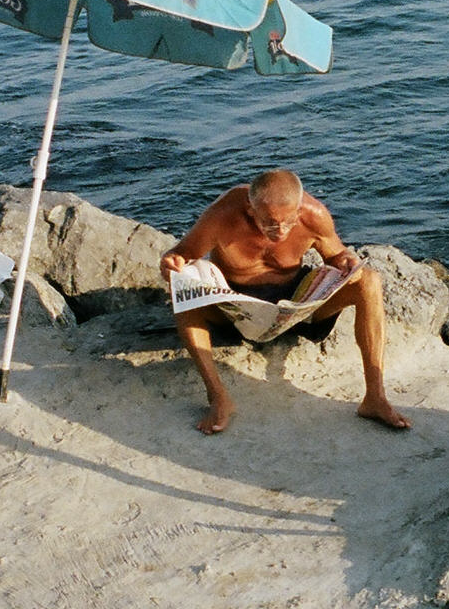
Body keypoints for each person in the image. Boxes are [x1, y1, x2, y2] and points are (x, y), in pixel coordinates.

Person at [159, 169, 410, 435]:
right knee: (182, 285)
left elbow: (336, 255)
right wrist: (172, 263)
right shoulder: (223, 215)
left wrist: (346, 260)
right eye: (269, 223)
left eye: (288, 222)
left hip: (295, 308)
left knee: (369, 280)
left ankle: (375, 397)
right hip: (234, 310)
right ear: (251, 210)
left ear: (298, 209)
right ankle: (218, 397)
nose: (279, 231)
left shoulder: (314, 215)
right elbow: (182, 253)